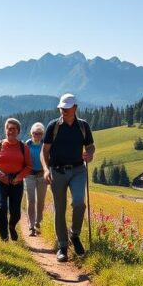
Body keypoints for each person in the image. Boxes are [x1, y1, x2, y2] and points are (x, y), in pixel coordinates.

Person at [41, 93, 95, 262]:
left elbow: (91, 146)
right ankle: (63, 246)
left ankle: (75, 235)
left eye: (67, 107)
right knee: (60, 208)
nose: (63, 110)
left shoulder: (83, 126)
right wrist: (45, 170)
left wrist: (90, 154)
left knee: (79, 203)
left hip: (78, 170)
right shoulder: (53, 126)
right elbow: (44, 151)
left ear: (75, 108)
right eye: (61, 108)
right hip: (57, 171)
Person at [0, 118, 32, 242]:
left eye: (13, 129)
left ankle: (12, 226)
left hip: (16, 182)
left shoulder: (23, 147)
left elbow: (29, 166)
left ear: (18, 131)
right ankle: (4, 238)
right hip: (0, 181)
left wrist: (19, 177)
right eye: (8, 128)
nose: (10, 131)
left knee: (15, 212)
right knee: (2, 208)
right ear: (5, 130)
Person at [23, 122, 48, 236]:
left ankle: (38, 221)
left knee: (41, 201)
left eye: (39, 133)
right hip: (30, 175)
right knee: (31, 199)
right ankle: (31, 225)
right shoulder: (27, 145)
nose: (36, 135)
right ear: (31, 133)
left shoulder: (45, 145)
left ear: (42, 134)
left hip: (42, 174)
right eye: (34, 133)